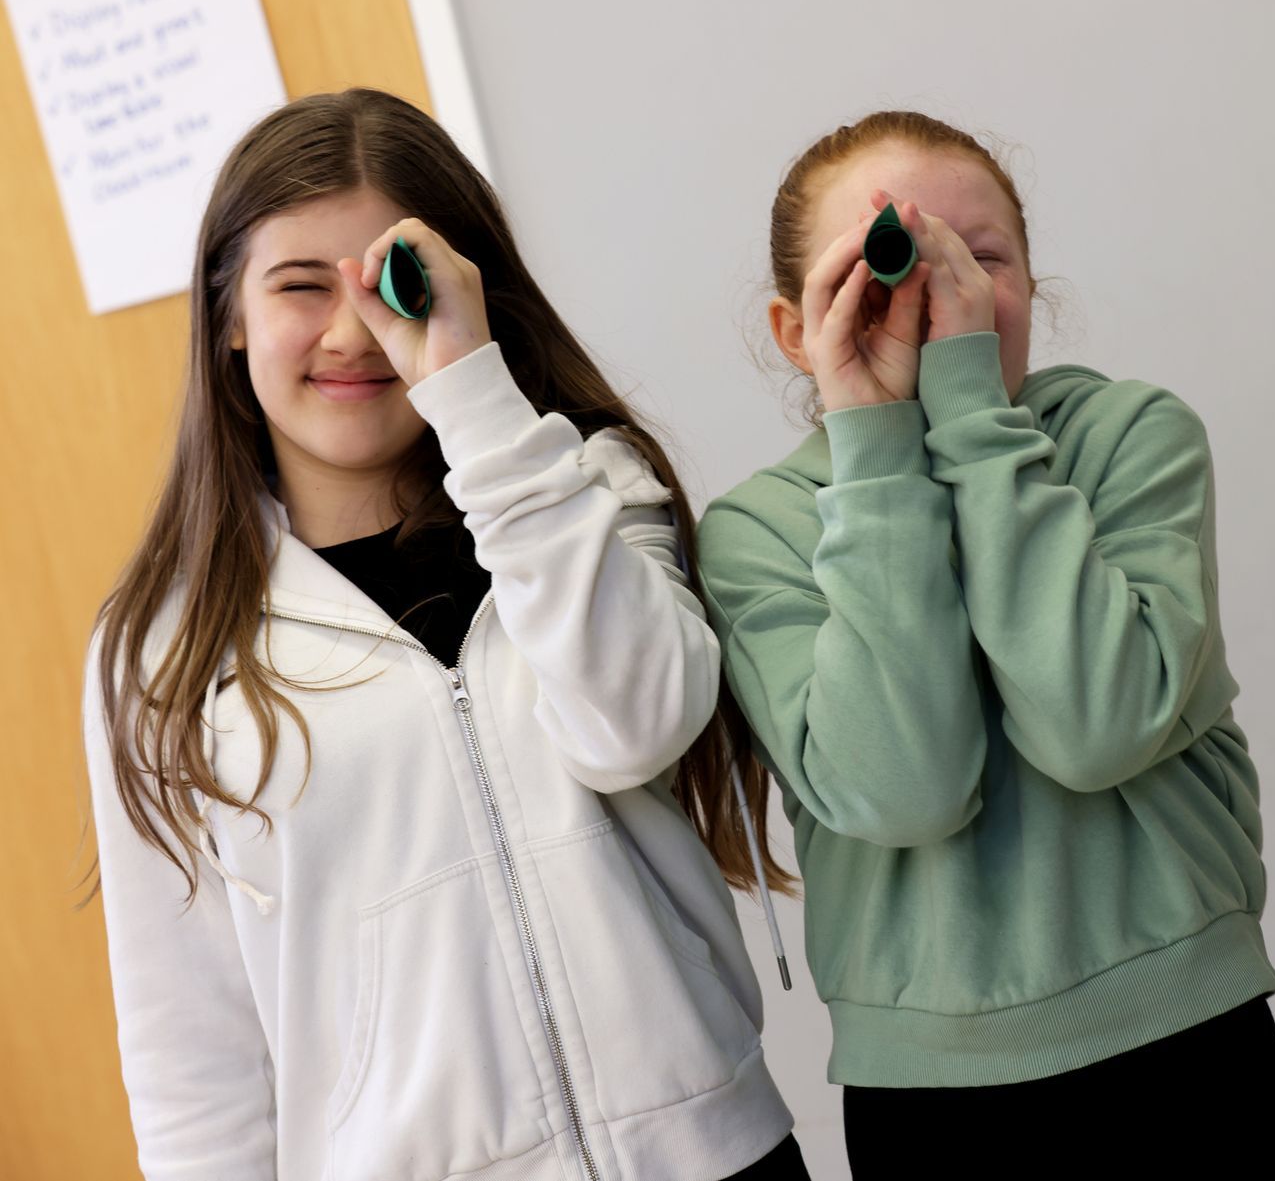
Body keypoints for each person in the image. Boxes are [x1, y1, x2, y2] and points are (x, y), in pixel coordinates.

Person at [84, 88, 808, 1180]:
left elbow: (638, 726)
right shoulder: (161, 651)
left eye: (393, 283)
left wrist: (473, 398)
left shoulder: (590, 497)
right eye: (298, 287)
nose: (350, 331)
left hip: (711, 1156)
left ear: (468, 293)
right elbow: (195, 1058)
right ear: (229, 316)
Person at [698, 110, 1275, 1177]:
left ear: (1033, 288)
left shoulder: (1130, 436)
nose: (941, 292)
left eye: (981, 259)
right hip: (932, 1096)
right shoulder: (758, 532)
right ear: (797, 327)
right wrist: (877, 446)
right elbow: (906, 790)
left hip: (1192, 1048)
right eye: (888, 262)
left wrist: (969, 417)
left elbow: (1098, 724)